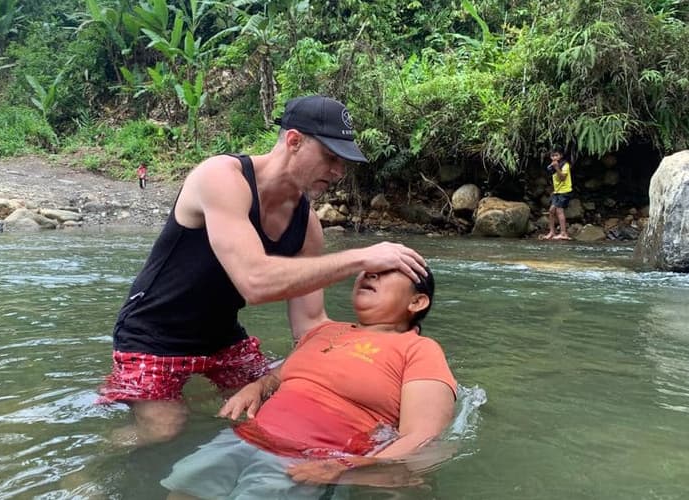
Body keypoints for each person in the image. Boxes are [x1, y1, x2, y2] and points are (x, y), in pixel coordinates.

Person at [99, 95, 429, 446]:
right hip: (153, 333)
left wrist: (381, 343)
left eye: (343, 162)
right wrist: (360, 258)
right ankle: (94, 461)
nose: (339, 172)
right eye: (330, 157)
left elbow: (310, 325)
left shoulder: (307, 227)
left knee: (276, 397)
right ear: (294, 141)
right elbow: (254, 281)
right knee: (163, 429)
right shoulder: (221, 178)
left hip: (222, 337)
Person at [160, 266, 457, 499]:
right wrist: (257, 387)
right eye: (369, 267)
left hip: (307, 462)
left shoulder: (419, 349)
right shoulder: (324, 331)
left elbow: (422, 438)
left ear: (417, 301)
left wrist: (343, 468)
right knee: (185, 491)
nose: (371, 272)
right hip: (244, 438)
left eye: (390, 270)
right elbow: (281, 376)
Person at [541, 147, 573, 240]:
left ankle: (563, 233)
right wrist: (553, 166)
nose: (554, 157)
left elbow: (562, 178)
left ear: (561, 156)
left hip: (565, 191)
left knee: (559, 210)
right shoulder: (553, 165)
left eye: (556, 155)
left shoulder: (565, 165)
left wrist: (556, 167)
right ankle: (552, 232)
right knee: (551, 211)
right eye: (552, 156)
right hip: (557, 191)